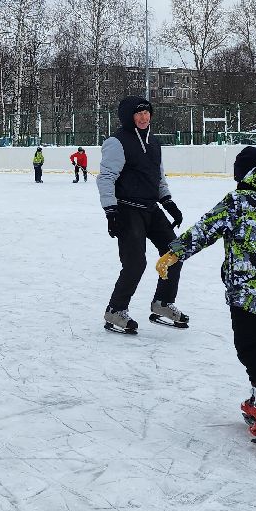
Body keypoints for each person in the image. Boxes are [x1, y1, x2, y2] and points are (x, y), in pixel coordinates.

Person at [154, 146, 256, 441]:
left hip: (248, 290)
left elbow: (206, 228)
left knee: (249, 347)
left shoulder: (238, 201)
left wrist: (174, 253)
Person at [97, 96, 187, 333]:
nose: (144, 117)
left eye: (147, 112)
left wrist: (168, 202)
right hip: (127, 209)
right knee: (135, 263)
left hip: (151, 208)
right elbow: (106, 178)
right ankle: (115, 310)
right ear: (128, 116)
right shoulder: (117, 142)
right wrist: (110, 211)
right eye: (138, 113)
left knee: (175, 252)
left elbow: (158, 177)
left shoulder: (154, 142)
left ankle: (163, 303)